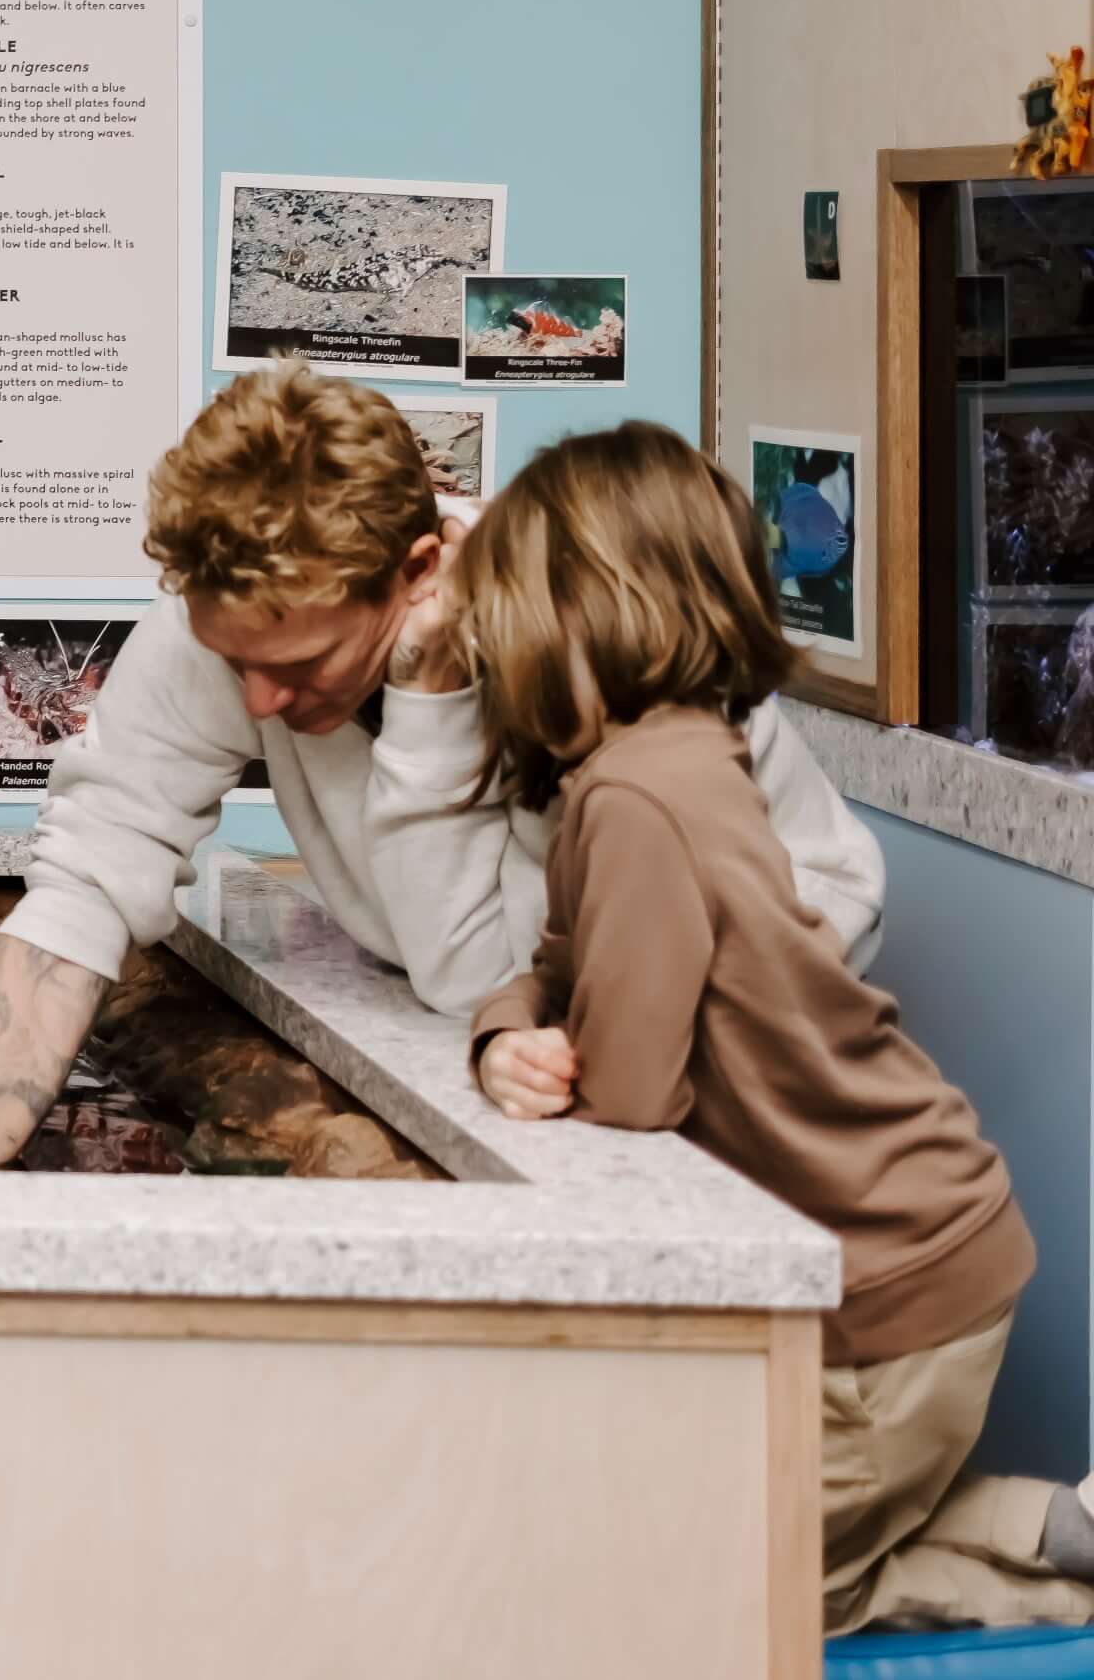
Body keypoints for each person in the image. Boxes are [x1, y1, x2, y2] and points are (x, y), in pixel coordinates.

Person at [0, 363, 884, 1171]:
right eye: (231, 661)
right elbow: (80, 890)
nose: (256, 703)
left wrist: (429, 698)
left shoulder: (578, 651)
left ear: (417, 569)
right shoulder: (239, 620)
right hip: (541, 998)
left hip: (775, 971)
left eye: (296, 667)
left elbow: (475, 973)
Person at [458, 424, 1094, 1635]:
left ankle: (1048, 1576)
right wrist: (504, 1033)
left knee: (736, 1587)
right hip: (921, 1230)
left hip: (887, 1291)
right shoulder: (681, 748)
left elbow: (631, 1096)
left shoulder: (634, 797)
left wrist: (545, 1053)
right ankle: (1050, 1524)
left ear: (600, 609)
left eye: (506, 611)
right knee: (764, 1532)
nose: (486, 643)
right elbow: (551, 965)